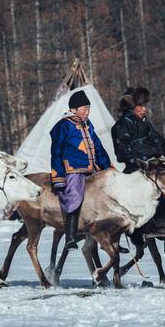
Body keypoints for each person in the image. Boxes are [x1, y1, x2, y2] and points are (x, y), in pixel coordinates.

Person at [50, 90, 112, 250]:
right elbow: (56, 151)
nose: (87, 111)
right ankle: (70, 236)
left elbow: (98, 147)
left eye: (89, 108)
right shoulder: (63, 126)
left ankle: (109, 235)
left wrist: (107, 166)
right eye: (85, 108)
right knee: (75, 196)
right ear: (74, 109)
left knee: (106, 194)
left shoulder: (88, 125)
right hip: (73, 170)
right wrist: (58, 176)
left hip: (92, 169)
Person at [111, 87, 165, 221]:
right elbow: (122, 152)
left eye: (145, 106)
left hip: (157, 166)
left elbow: (161, 143)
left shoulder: (146, 124)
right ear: (131, 107)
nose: (145, 109)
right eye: (141, 106)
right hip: (138, 169)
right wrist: (141, 163)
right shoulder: (120, 127)